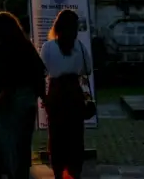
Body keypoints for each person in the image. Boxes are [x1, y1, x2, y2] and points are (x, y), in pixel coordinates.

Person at [0, 12, 46, 179]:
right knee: (24, 143)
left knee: (10, 143)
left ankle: (16, 174)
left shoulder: (3, 49)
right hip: (29, 100)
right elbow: (39, 72)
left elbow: (7, 81)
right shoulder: (26, 46)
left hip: (11, 102)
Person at [41, 9, 92, 179]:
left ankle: (57, 169)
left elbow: (42, 70)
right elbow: (88, 69)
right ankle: (74, 169)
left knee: (56, 134)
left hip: (55, 92)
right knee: (75, 134)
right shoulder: (80, 47)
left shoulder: (48, 47)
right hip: (73, 91)